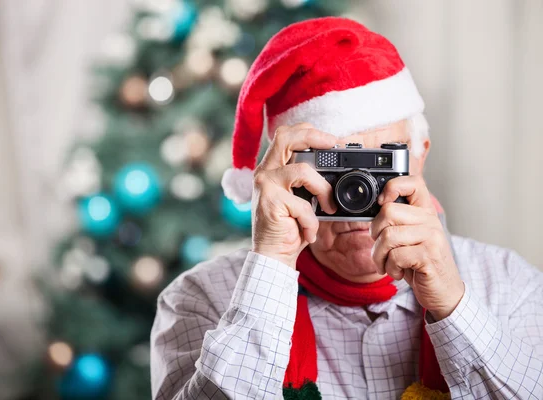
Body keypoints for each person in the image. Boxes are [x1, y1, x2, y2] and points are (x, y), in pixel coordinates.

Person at [150, 17, 543, 399]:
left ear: (419, 157)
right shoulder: (200, 297)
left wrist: (454, 306)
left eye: (380, 163)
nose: (356, 194)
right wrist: (271, 266)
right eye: (330, 168)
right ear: (284, 172)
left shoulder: (510, 286)